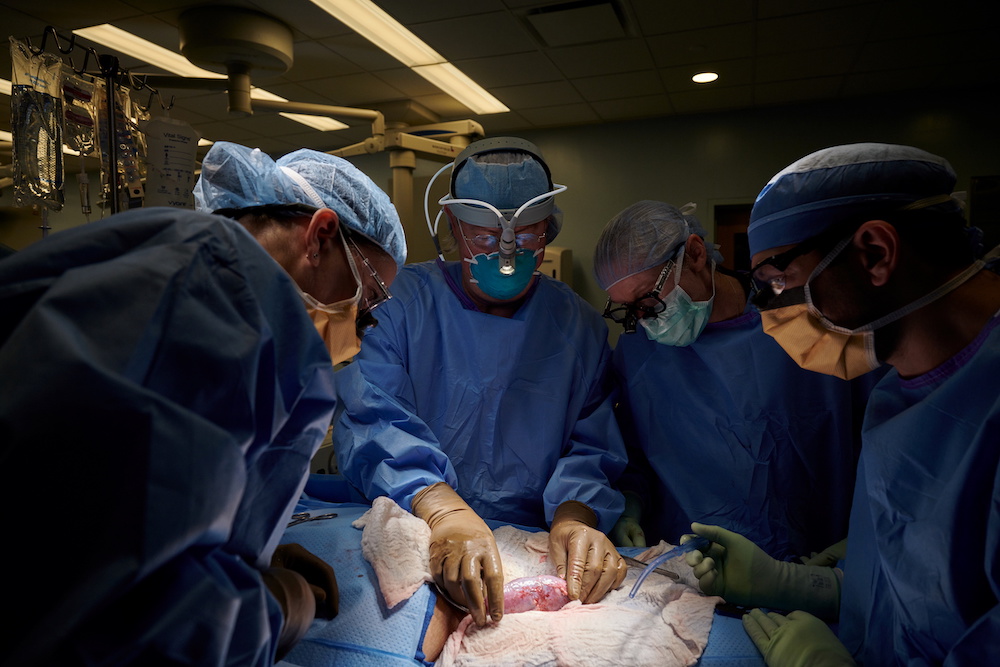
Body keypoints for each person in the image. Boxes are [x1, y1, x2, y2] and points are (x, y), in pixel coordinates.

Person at [0, 141, 405, 665]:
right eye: (366, 297)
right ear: (320, 235)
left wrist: (241, 557)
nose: (361, 327)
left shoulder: (178, 254)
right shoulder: (228, 310)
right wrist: (271, 607)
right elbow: (129, 608)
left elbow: (129, 497)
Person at [683, 142, 1000, 665]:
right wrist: (793, 584)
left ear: (875, 252)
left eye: (778, 280)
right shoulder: (899, 394)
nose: (773, 316)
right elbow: (916, 594)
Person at [332, 136, 628, 628]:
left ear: (549, 228)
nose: (507, 252)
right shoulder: (398, 306)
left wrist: (575, 519)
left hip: (533, 547)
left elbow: (593, 443)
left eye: (526, 236)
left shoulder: (577, 326)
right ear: (453, 225)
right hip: (413, 526)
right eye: (486, 238)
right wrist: (443, 512)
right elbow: (373, 421)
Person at [594, 200, 880, 562]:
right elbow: (632, 452)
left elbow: (877, 436)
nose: (645, 320)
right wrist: (630, 503)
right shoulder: (639, 353)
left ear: (695, 254)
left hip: (815, 561)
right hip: (692, 564)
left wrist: (851, 552)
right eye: (629, 310)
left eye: (649, 300)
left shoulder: (803, 325)